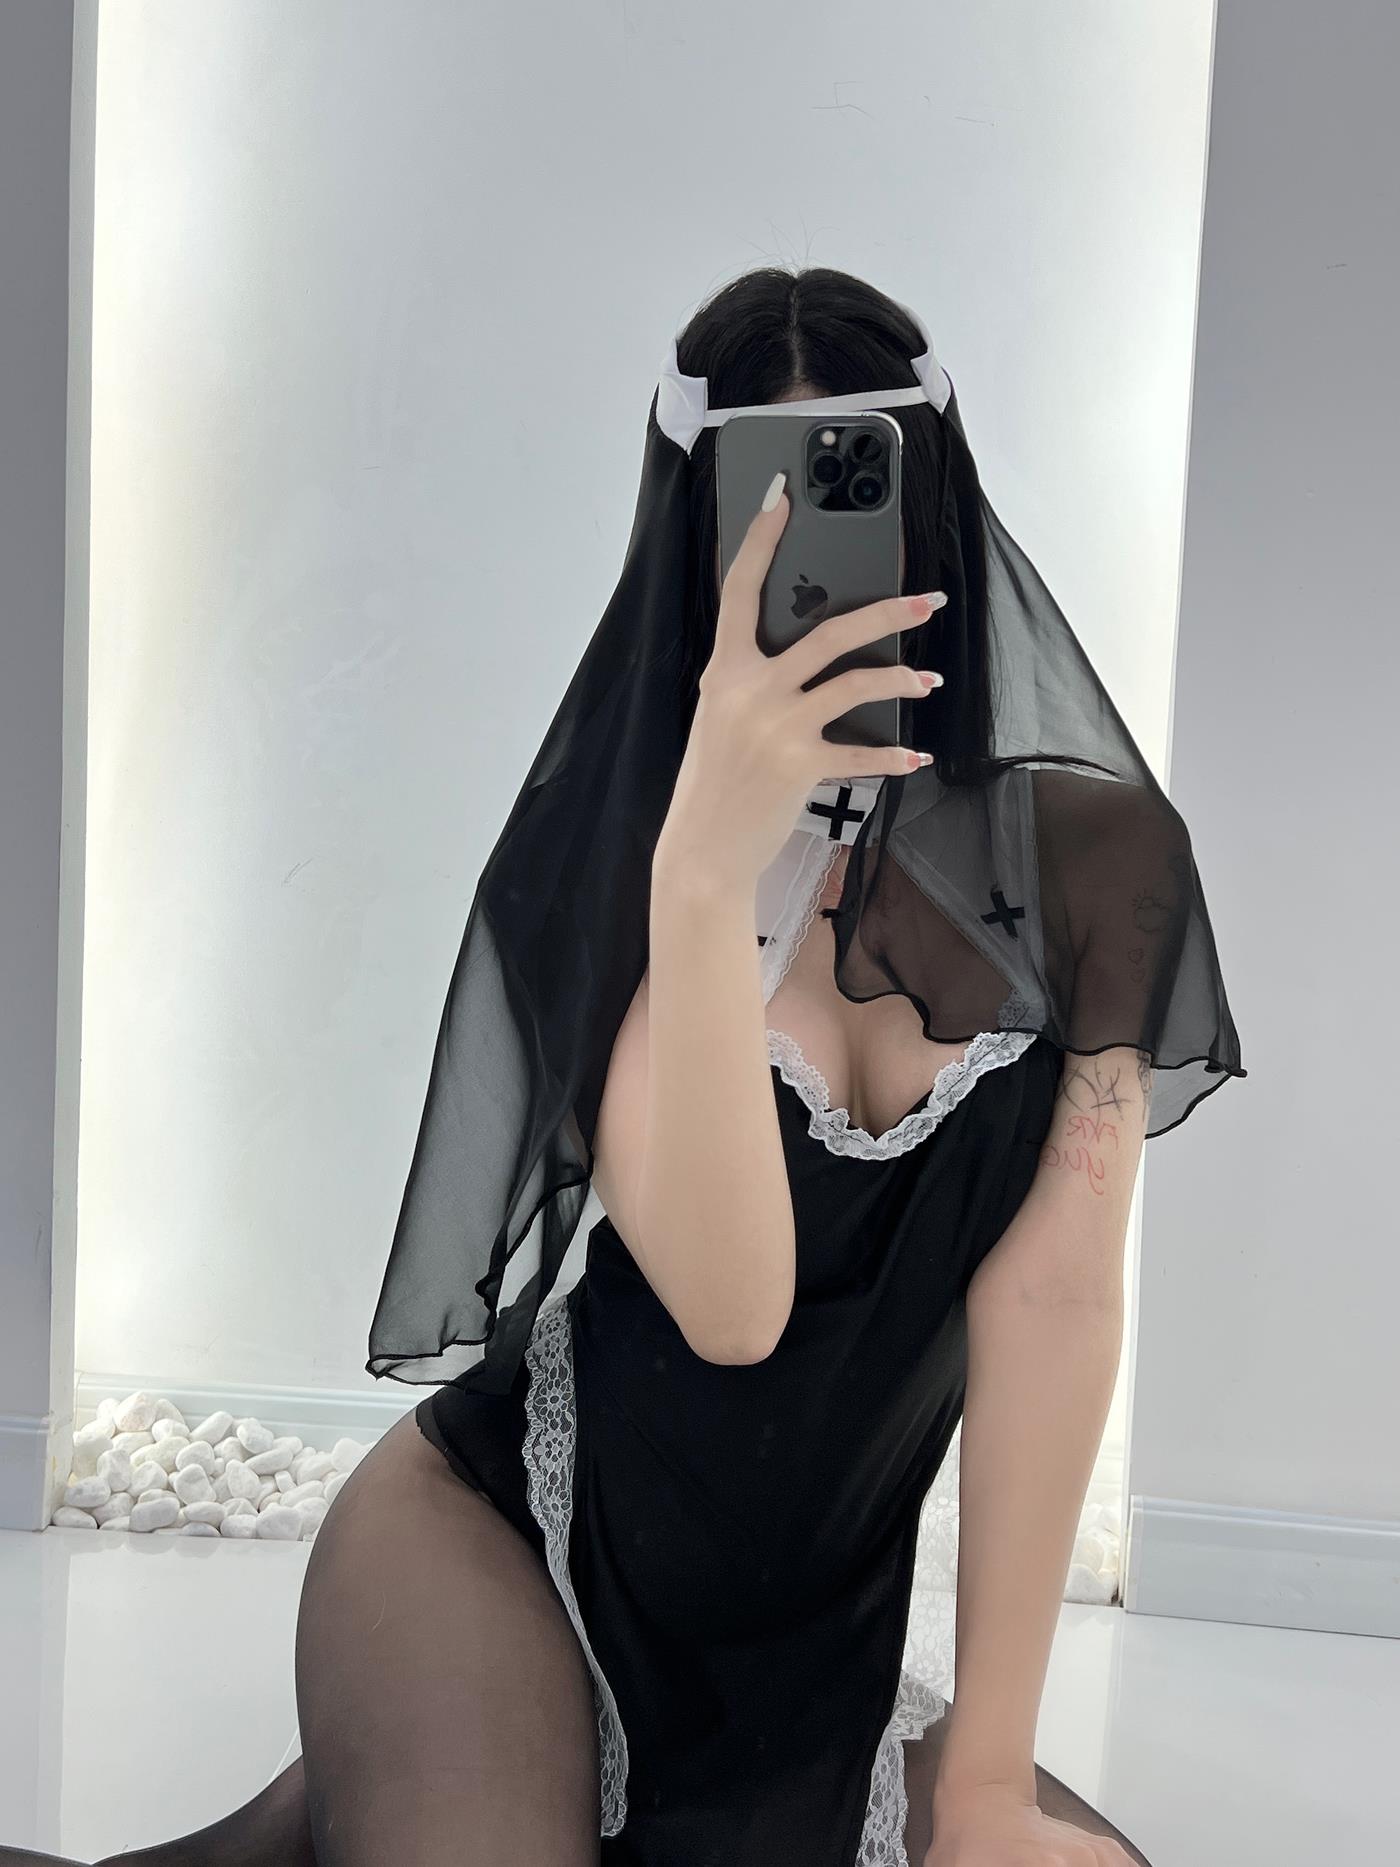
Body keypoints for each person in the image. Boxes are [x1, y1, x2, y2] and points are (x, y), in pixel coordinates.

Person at [6, 266, 1243, 1866]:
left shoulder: (1098, 859)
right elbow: (735, 1309)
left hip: (805, 1657)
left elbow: (1058, 1302)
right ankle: (428, 1742)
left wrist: (991, 1782)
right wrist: (707, 875)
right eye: (756, 506)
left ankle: (371, 1804)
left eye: (853, 487)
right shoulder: (598, 873)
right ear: (690, 537)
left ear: (931, 506)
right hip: (498, 1552)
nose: (803, 558)